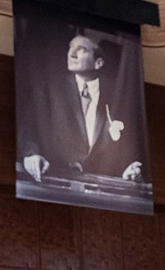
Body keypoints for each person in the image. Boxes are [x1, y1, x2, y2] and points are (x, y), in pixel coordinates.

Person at [19, 33, 146, 183]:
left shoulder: (116, 97)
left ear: (98, 63)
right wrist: (31, 155)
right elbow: (29, 128)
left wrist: (127, 170)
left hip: (102, 186)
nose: (71, 54)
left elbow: (121, 147)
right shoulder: (49, 89)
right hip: (55, 181)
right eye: (70, 47)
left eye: (81, 49)